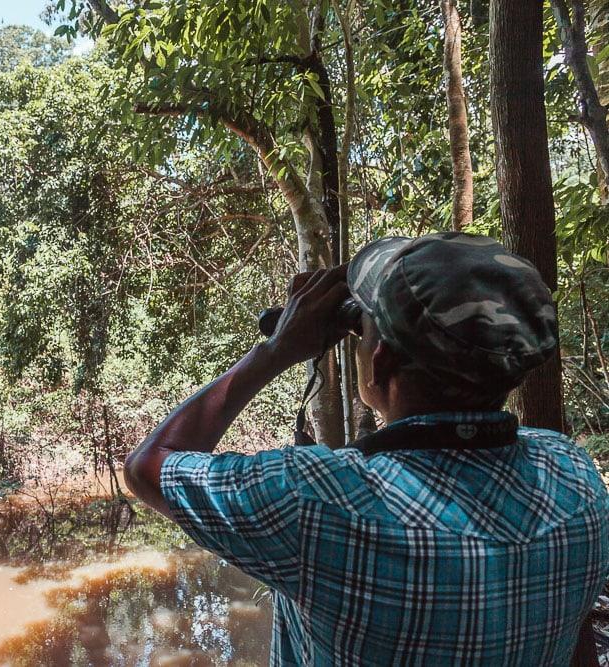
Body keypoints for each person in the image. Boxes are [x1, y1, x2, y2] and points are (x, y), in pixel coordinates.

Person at [124, 232, 609, 665]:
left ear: (377, 364)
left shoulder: (318, 502)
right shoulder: (574, 477)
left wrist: (276, 351)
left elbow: (149, 465)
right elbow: (576, 640)